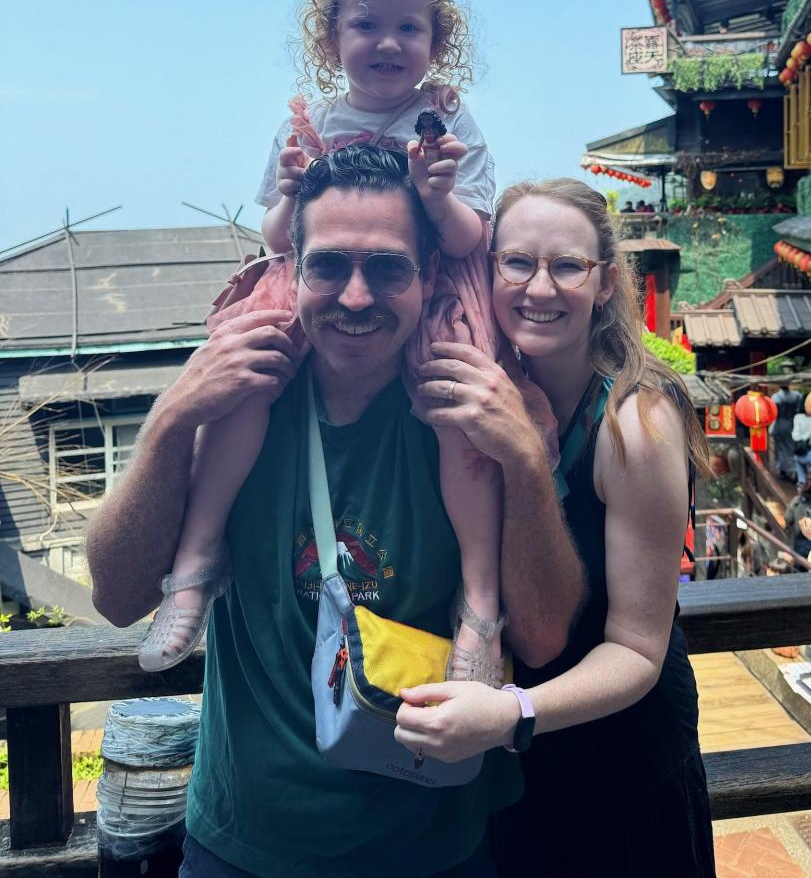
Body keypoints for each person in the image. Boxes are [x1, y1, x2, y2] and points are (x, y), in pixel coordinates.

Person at [87, 146, 584, 878]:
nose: (356, 297)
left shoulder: (475, 410)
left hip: (432, 849)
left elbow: (541, 639)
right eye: (329, 266)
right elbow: (119, 598)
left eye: (386, 267)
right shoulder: (240, 396)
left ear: (427, 277)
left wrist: (527, 464)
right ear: (293, 269)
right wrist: (168, 421)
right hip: (242, 845)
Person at [138, 0, 535, 684]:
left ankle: (480, 610)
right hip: (315, 274)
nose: (388, 43)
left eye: (408, 27)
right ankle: (194, 563)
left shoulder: (448, 120)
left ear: (436, 41)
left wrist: (436, 193)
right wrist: (290, 191)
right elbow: (278, 237)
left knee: (460, 418)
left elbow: (465, 241)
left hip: (430, 282)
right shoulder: (310, 123)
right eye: (367, 25)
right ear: (330, 38)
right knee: (244, 378)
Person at [392, 178, 717, 876]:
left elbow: (635, 649)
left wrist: (511, 714)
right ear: (489, 270)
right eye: (517, 263)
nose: (539, 287)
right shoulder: (497, 384)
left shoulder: (636, 419)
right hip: (511, 755)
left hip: (615, 757)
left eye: (566, 266)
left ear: (603, 283)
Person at [784, 470, 811, 555]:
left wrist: (788, 527)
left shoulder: (797, 501)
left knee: (800, 560)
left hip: (799, 538)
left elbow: (787, 517)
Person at [770, 381, 801, 482]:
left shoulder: (776, 397)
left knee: (780, 448)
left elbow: (773, 412)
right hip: (792, 423)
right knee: (791, 447)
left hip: (779, 424)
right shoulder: (797, 395)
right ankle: (793, 469)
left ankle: (783, 469)